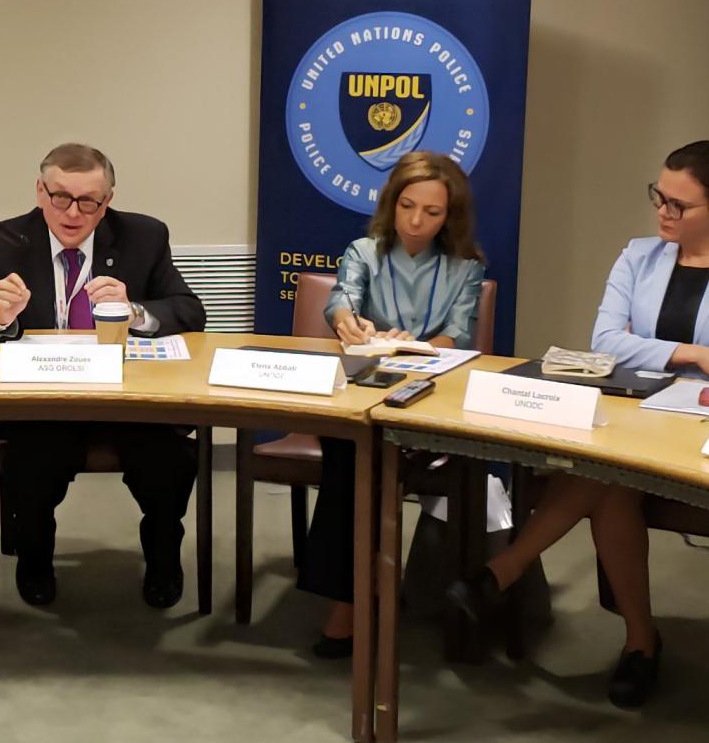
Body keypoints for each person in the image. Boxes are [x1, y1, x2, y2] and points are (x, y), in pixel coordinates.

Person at [448, 139, 709, 708]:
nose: (662, 212)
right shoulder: (639, 256)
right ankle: (639, 643)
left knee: (604, 478)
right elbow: (606, 343)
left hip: (699, 434)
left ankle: (503, 573)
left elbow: (629, 347)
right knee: (609, 479)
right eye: (658, 196)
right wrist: (694, 355)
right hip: (639, 417)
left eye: (679, 205)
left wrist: (653, 352)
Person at [0, 143, 205, 608]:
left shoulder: (143, 236)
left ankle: (164, 554)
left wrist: (134, 310)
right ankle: (35, 558)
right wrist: (1, 316)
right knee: (32, 461)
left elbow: (189, 310)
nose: (72, 213)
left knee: (168, 460)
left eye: (89, 201)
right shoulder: (7, 239)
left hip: (127, 401)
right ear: (39, 192)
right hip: (47, 401)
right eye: (61, 197)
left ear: (107, 201)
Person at [302, 151, 486, 658]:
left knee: (361, 459)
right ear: (391, 203)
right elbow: (341, 300)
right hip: (364, 392)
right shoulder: (364, 251)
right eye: (407, 206)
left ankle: (353, 599)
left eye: (432, 211)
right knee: (350, 452)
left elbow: (458, 335)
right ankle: (356, 592)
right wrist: (348, 323)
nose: (416, 220)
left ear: (450, 216)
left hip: (428, 401)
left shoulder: (465, 268)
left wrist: (419, 346)